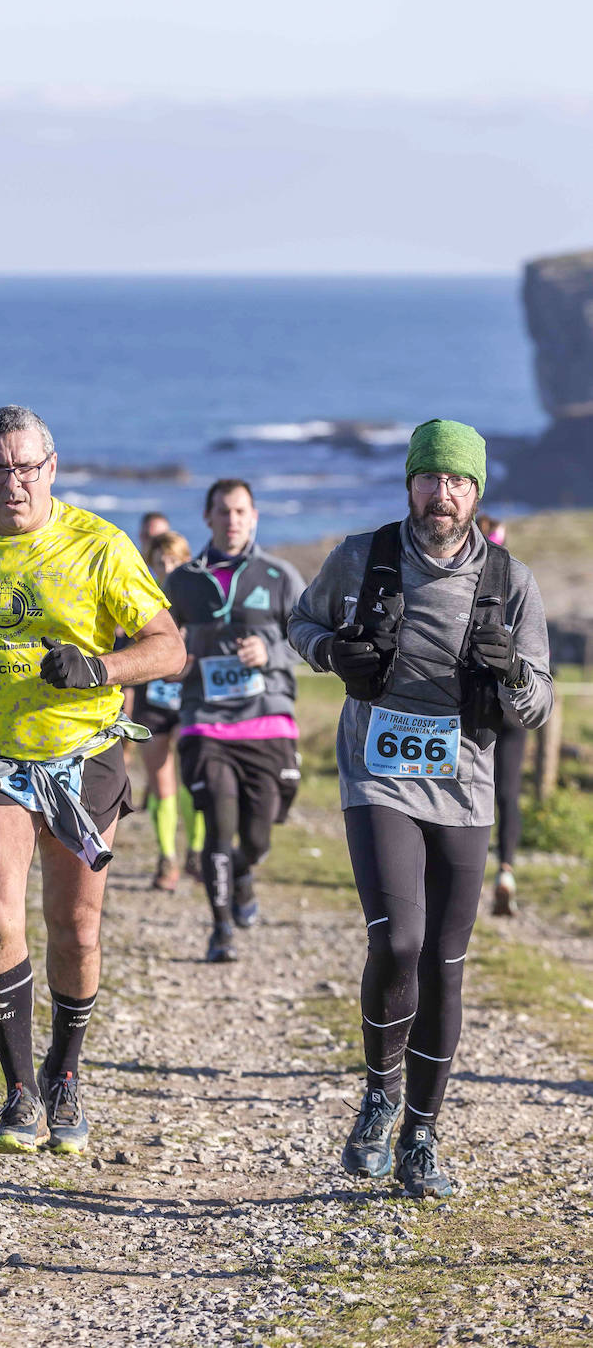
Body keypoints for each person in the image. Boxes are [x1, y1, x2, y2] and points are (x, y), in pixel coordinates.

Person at [0, 405, 184, 1157]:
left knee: (76, 926)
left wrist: (101, 668)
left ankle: (65, 1073)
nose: (12, 482)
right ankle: (19, 1091)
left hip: (82, 755)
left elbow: (170, 648)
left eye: (26, 467)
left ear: (51, 468)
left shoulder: (99, 545)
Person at [289, 419, 552, 1197]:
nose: (444, 495)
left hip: (465, 783)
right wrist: (332, 652)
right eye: (431, 479)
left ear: (477, 492)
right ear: (410, 483)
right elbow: (300, 623)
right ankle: (379, 1094)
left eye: (459, 482)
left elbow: (536, 705)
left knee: (444, 963)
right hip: (378, 774)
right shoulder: (361, 558)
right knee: (398, 940)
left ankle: (422, 1136)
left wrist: (510, 679)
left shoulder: (511, 582)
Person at [165, 479, 304, 962]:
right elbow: (160, 639)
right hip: (206, 723)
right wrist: (172, 660)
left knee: (260, 836)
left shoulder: (279, 575)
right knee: (218, 829)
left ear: (255, 516)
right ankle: (221, 929)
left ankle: (244, 874)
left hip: (268, 723)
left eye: (241, 511)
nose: (232, 520)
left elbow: (311, 640)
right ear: (207, 518)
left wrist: (271, 651)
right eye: (223, 512)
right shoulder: (183, 580)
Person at [132, 530, 206, 890]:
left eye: (174, 561)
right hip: (153, 702)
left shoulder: (198, 600)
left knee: (192, 779)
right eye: (159, 562)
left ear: (187, 561)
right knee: (161, 783)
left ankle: (196, 851)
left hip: (191, 701)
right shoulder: (142, 604)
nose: (166, 568)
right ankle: (166, 858)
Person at [477, 516, 526, 916]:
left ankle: (462, 873)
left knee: (469, 789)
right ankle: (505, 871)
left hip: (477, 709)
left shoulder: (470, 588)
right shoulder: (521, 589)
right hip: (508, 712)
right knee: (506, 796)